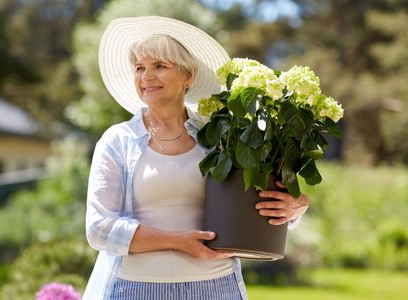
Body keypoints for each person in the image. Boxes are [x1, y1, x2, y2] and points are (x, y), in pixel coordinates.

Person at [83, 16, 310, 300]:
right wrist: (178, 242)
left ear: (187, 76)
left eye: (160, 66)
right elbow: (99, 229)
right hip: (135, 287)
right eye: (139, 68)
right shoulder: (118, 141)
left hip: (217, 287)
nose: (146, 77)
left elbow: (251, 206)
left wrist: (294, 208)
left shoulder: (221, 136)